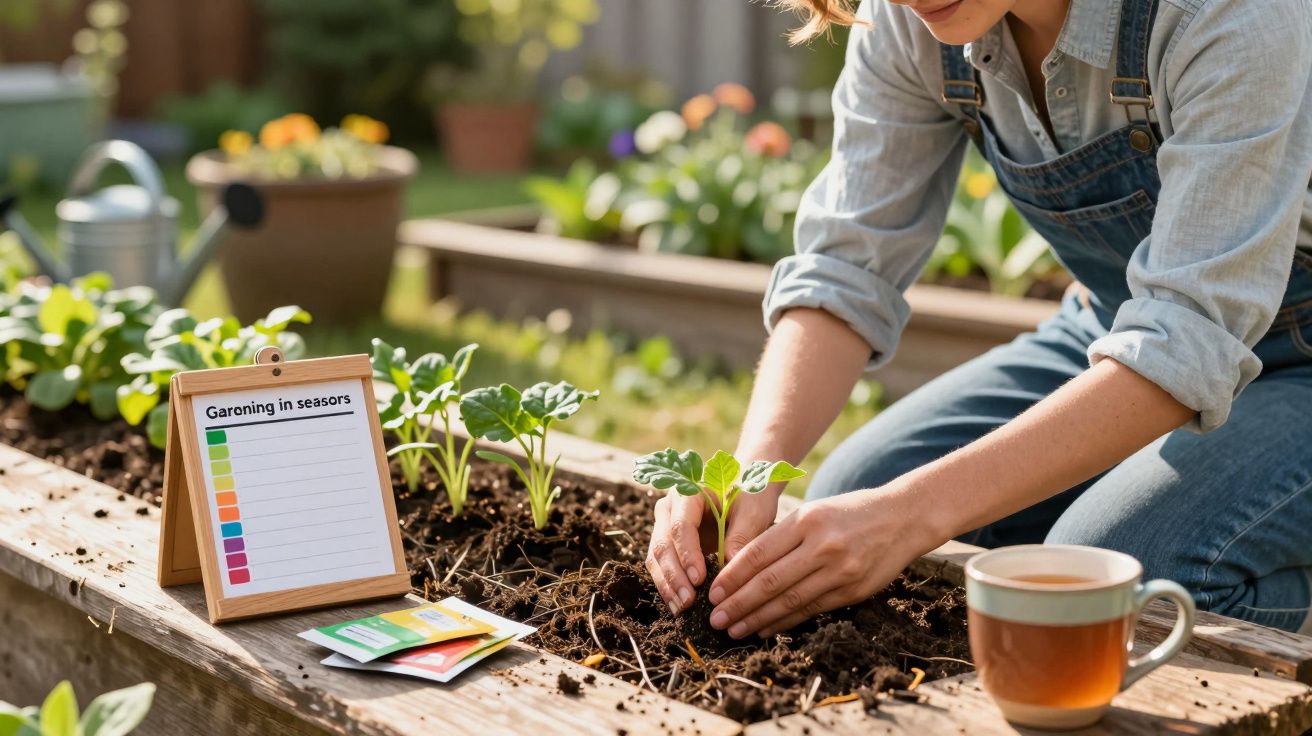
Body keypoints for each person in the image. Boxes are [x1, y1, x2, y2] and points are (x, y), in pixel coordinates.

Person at [644, 0, 1312, 638]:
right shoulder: (910, 23)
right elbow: (848, 268)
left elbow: (1189, 334)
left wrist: (909, 517)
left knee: (1119, 569)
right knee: (853, 496)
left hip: (1288, 356)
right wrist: (749, 478)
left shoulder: (1227, 14)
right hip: (1121, 332)